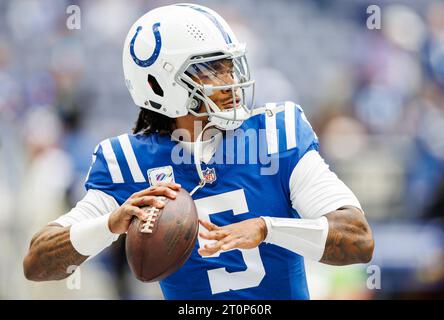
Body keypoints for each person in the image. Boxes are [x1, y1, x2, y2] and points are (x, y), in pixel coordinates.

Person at [23, 3, 374, 299]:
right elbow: (37, 263)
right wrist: (109, 224)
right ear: (159, 84)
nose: (231, 81)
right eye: (211, 69)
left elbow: (358, 239)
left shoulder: (275, 136)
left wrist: (269, 229)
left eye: (229, 65)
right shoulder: (127, 163)